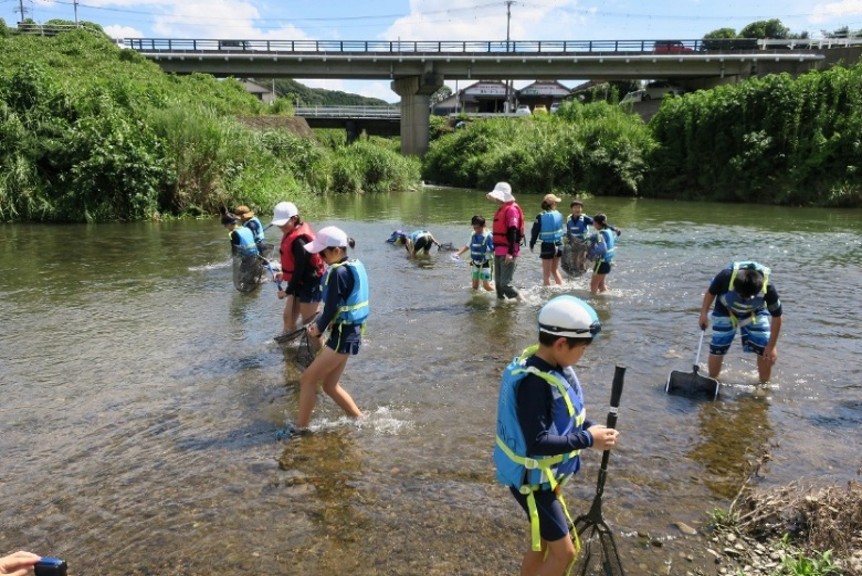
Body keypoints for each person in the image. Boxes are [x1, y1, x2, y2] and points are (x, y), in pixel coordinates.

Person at [494, 295, 619, 576]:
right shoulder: (534, 385)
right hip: (532, 483)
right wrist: (588, 440)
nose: (582, 355)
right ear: (561, 343)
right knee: (564, 553)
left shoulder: (551, 368)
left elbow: (567, 414)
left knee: (541, 543)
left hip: (544, 478)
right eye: (583, 349)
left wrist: (591, 428)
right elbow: (537, 441)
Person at [295, 226, 368, 430]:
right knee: (329, 386)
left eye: (322, 253)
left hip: (344, 335)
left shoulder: (337, 273)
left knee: (307, 379)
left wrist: (317, 329)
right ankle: (360, 420)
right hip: (350, 332)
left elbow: (331, 309)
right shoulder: (352, 265)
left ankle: (300, 428)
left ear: (336, 251)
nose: (320, 257)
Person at [698, 261, 783, 383]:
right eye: (742, 295)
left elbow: (777, 317)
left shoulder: (768, 288)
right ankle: (712, 380)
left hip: (754, 313)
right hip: (725, 310)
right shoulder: (726, 276)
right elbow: (711, 293)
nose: (745, 299)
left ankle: (764, 385)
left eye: (749, 297)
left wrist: (771, 346)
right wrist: (703, 314)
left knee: (765, 348)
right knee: (718, 346)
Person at [271, 201, 325, 337]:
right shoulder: (291, 232)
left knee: (310, 326)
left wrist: (287, 291)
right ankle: (288, 351)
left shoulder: (300, 240)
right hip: (298, 281)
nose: (280, 226)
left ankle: (319, 354)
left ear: (294, 219)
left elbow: (301, 268)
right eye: (279, 223)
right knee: (288, 319)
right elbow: (296, 265)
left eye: (283, 223)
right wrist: (284, 274)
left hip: (310, 283)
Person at [487, 181, 524, 300]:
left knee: (505, 284)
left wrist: (510, 253)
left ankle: (521, 301)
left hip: (508, 252)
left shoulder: (511, 210)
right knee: (498, 286)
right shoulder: (502, 209)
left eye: (497, 196)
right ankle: (501, 312)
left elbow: (513, 231)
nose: (496, 199)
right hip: (498, 252)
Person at [529, 193, 565, 286]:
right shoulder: (559, 214)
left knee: (546, 275)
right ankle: (562, 288)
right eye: (556, 203)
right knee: (554, 270)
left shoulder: (540, 216)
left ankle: (546, 296)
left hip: (548, 246)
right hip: (559, 245)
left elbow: (535, 231)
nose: (556, 204)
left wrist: (532, 244)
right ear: (553, 204)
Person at [453, 215, 494, 292]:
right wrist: (458, 253)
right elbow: (467, 246)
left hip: (486, 263)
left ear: (484, 225)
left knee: (486, 286)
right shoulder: (473, 235)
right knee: (474, 286)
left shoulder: (488, 236)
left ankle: (500, 294)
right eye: (474, 228)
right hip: (475, 263)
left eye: (478, 228)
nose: (476, 230)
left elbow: (494, 249)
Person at [588, 213, 616, 295]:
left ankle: (593, 302)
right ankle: (604, 302)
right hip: (608, 262)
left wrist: (591, 253)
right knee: (601, 285)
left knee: (593, 285)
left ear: (596, 223)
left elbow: (602, 249)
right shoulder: (609, 231)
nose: (593, 224)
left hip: (601, 263)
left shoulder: (600, 234)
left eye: (593, 222)